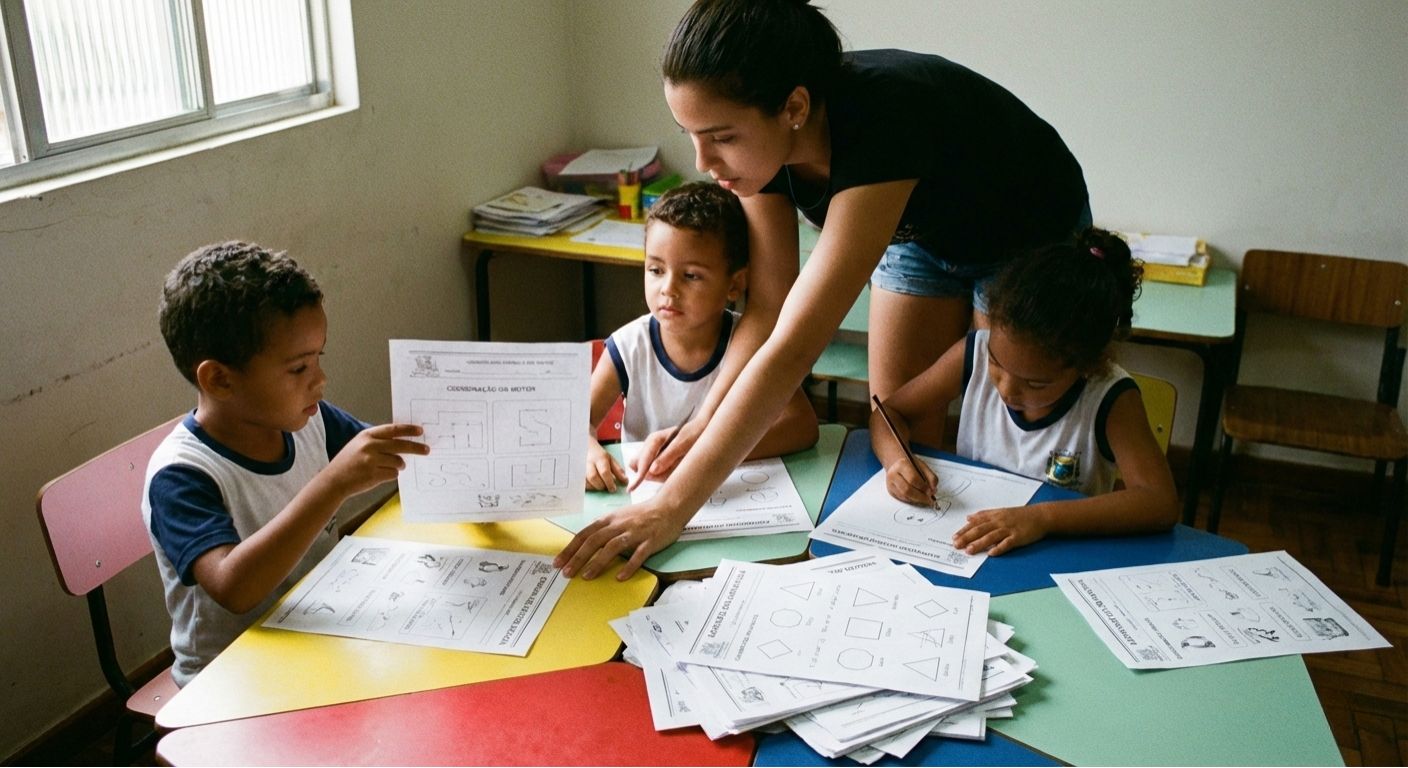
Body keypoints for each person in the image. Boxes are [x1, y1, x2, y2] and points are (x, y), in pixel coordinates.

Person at [557, 0, 1090, 579]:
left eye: (721, 138)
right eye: (690, 135)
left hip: (1024, 232)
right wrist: (698, 426)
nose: (703, 161)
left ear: (794, 108)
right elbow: (767, 309)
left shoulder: (883, 116)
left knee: (999, 443)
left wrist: (671, 507)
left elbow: (794, 344)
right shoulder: (760, 155)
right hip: (923, 230)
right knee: (901, 439)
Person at [143, 242, 427, 685]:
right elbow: (234, 588)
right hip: (233, 679)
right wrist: (333, 484)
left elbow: (396, 454)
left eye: (319, 358)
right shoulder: (181, 476)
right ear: (219, 379)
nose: (320, 380)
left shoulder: (307, 420)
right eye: (298, 368)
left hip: (318, 631)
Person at [874, 228, 1179, 555]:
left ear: (1087, 367)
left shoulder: (1110, 398)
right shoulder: (974, 353)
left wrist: (1043, 518)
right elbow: (889, 414)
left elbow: (1159, 502)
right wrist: (897, 462)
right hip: (972, 550)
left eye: (1035, 383)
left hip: (1058, 555)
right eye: (996, 363)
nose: (1006, 389)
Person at [586, 181, 818, 492]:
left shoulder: (749, 347)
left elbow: (803, 426)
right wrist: (587, 451)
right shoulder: (628, 346)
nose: (668, 288)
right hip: (642, 496)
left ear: (734, 285)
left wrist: (711, 453)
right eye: (655, 270)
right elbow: (576, 421)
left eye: (691, 275)